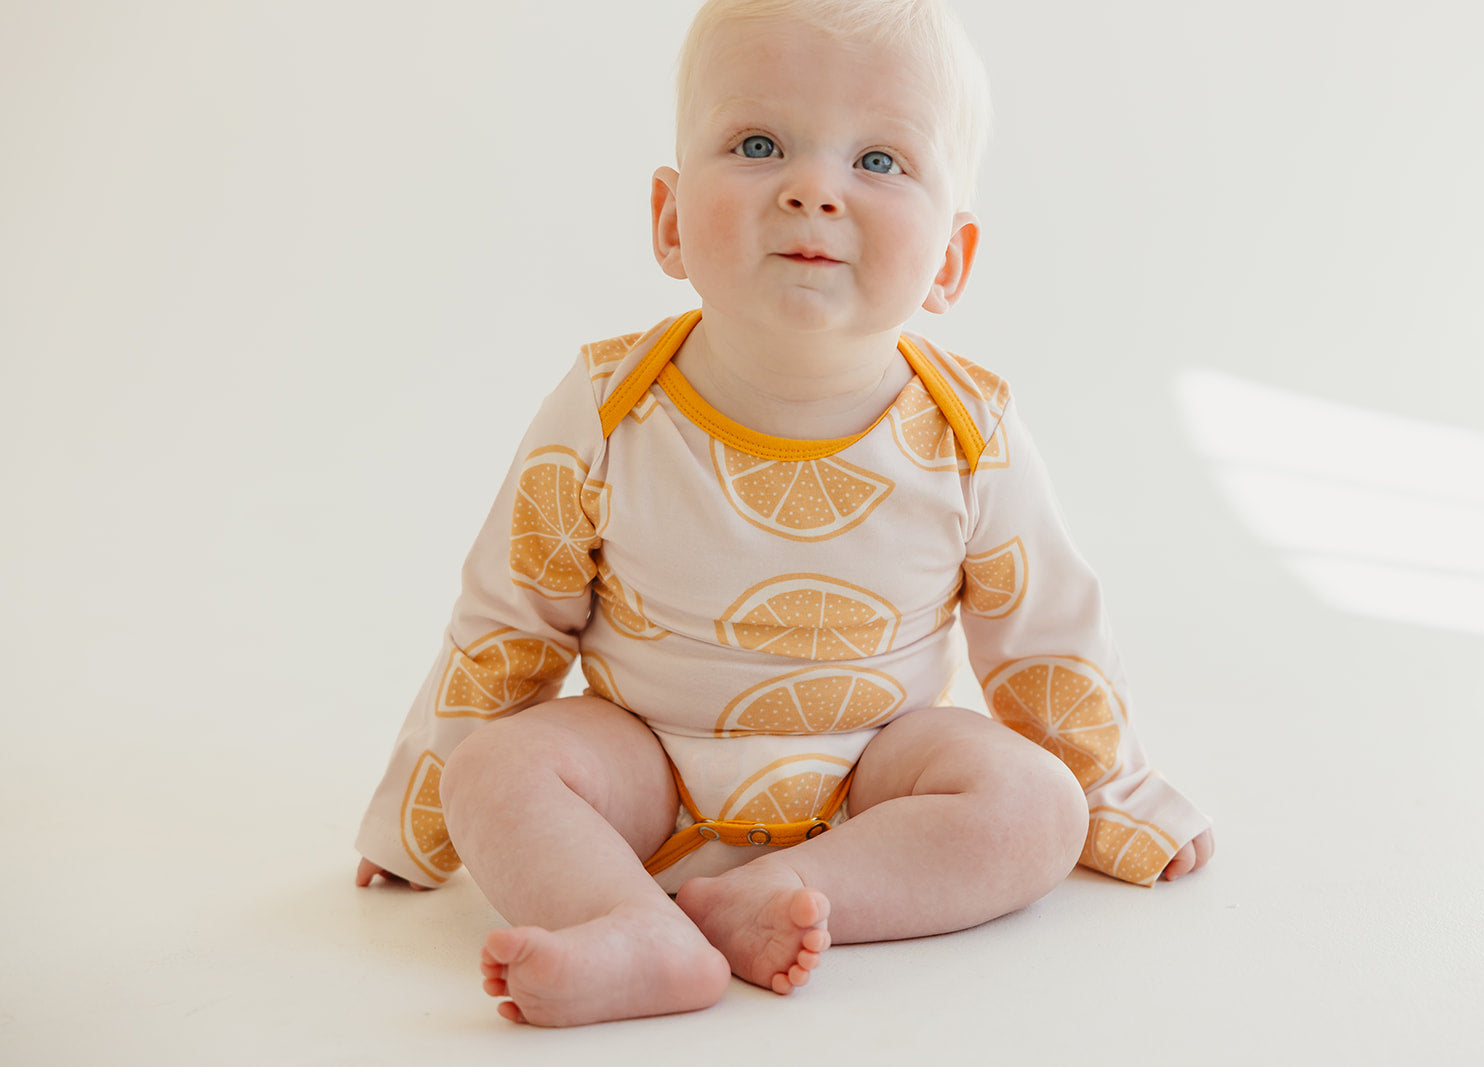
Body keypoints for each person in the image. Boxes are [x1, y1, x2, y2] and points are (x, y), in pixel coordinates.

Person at [355, 0, 1214, 1028]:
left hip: (879, 783)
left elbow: (1047, 633)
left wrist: (1117, 797)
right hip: (643, 771)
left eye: (880, 160)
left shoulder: (970, 428)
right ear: (670, 219)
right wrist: (417, 817)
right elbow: (506, 621)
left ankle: (792, 892)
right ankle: (631, 925)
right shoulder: (607, 406)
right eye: (758, 144)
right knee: (494, 769)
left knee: (1037, 805)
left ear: (950, 259)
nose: (814, 190)